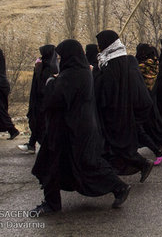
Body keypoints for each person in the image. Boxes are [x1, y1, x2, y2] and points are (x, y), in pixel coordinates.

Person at [30, 39, 130, 216]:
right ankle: (118, 187)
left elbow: (55, 98)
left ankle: (118, 187)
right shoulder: (81, 71)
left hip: (70, 130)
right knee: (75, 164)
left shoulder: (72, 75)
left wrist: (49, 82)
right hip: (76, 128)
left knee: (71, 164)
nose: (59, 61)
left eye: (61, 57)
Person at [94, 30, 154, 182]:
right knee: (116, 146)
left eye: (100, 44)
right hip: (120, 111)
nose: (98, 47)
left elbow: (107, 89)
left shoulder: (113, 64)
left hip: (116, 111)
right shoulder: (119, 60)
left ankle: (138, 167)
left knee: (117, 145)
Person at [135, 43, 162, 165]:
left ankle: (161, 147)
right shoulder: (155, 62)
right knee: (155, 121)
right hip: (151, 95)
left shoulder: (142, 65)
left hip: (144, 96)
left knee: (151, 123)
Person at [19, 44, 58, 154]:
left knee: (41, 124)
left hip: (44, 102)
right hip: (38, 102)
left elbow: (44, 86)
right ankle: (33, 145)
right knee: (38, 123)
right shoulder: (44, 66)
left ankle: (37, 146)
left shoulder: (51, 68)